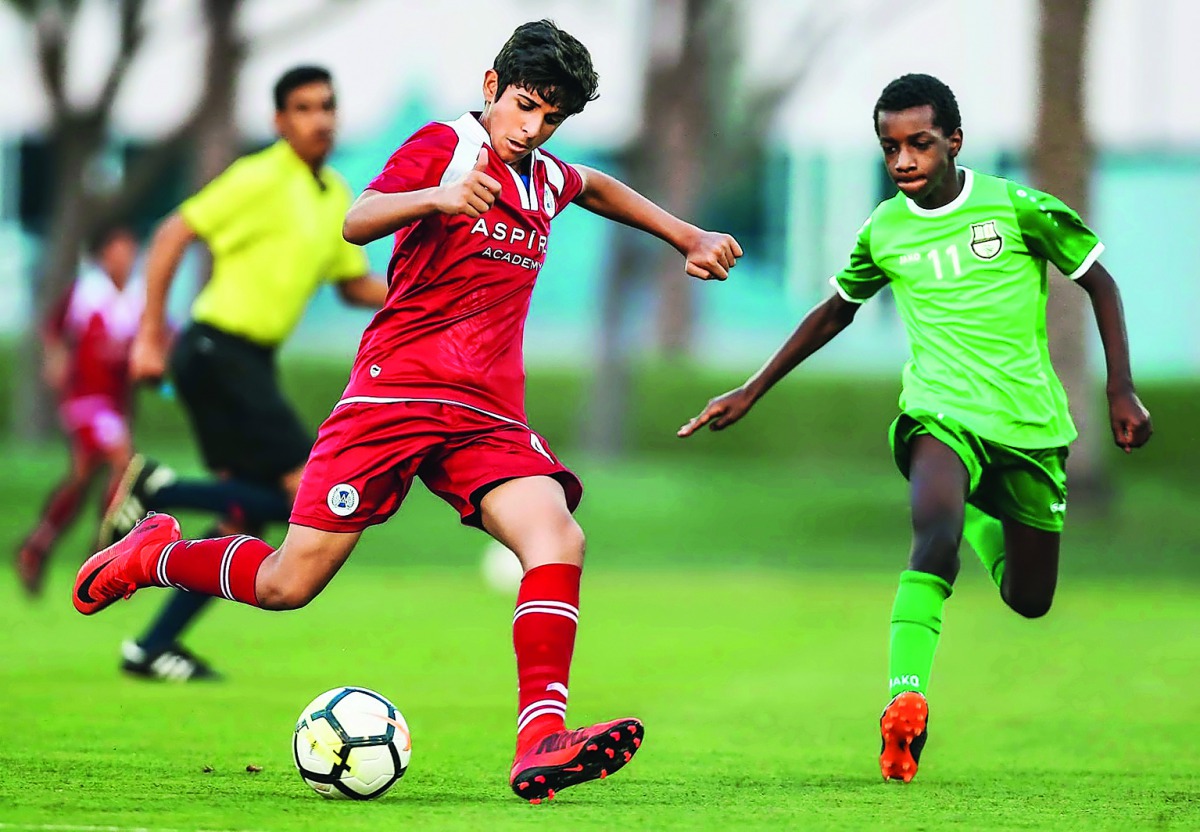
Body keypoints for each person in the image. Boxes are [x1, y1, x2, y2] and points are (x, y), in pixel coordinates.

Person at [73, 19, 741, 801]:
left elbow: (592, 185)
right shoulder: (445, 145)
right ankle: (151, 554)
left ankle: (541, 739)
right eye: (524, 105)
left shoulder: (545, 178)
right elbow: (356, 219)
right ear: (492, 86)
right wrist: (440, 197)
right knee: (290, 584)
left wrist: (684, 232)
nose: (533, 128)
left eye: (552, 118)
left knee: (557, 534)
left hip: (486, 414)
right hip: (393, 398)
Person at [678, 73, 1152, 784]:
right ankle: (904, 702)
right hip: (939, 412)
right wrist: (754, 386)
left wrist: (1121, 388)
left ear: (953, 141)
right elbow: (835, 309)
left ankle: (981, 520)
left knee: (1030, 601)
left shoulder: (1018, 207)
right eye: (890, 146)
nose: (903, 161)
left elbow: (1099, 281)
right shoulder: (885, 229)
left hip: (1029, 424)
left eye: (919, 144)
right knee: (931, 530)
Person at [104, 65, 387, 681]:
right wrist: (150, 333)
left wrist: (428, 290)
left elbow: (353, 284)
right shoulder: (259, 177)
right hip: (216, 351)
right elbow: (174, 232)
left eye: (328, 106)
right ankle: (159, 491)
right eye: (305, 108)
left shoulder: (335, 195)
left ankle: (151, 647)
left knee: (243, 517)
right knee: (306, 490)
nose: (321, 119)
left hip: (245, 362)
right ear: (280, 122)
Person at [14, 224, 144, 596]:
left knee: (83, 477)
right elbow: (52, 328)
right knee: (124, 464)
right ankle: (105, 554)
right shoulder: (88, 292)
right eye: (119, 249)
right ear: (104, 254)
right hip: (88, 400)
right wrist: (55, 358)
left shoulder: (137, 297)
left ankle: (36, 547)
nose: (126, 257)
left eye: (131, 249)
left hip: (117, 405)